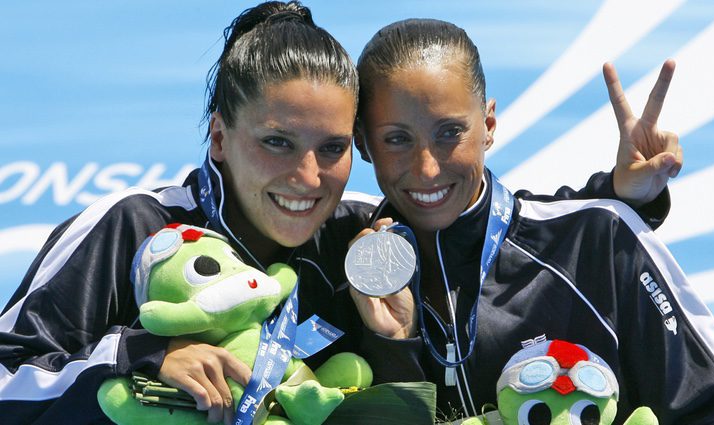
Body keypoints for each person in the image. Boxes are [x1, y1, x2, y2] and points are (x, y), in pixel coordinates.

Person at [0, 2, 676, 424]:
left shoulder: (361, 237)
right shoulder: (131, 228)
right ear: (218, 137)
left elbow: (487, 227)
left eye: (331, 148)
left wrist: (619, 196)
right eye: (276, 144)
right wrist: (139, 358)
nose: (306, 178)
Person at [349, 18, 714, 424]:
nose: (427, 168)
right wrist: (394, 346)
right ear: (362, 142)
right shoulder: (338, 250)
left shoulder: (598, 240)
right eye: (397, 139)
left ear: (488, 126)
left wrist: (620, 198)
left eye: (450, 132)